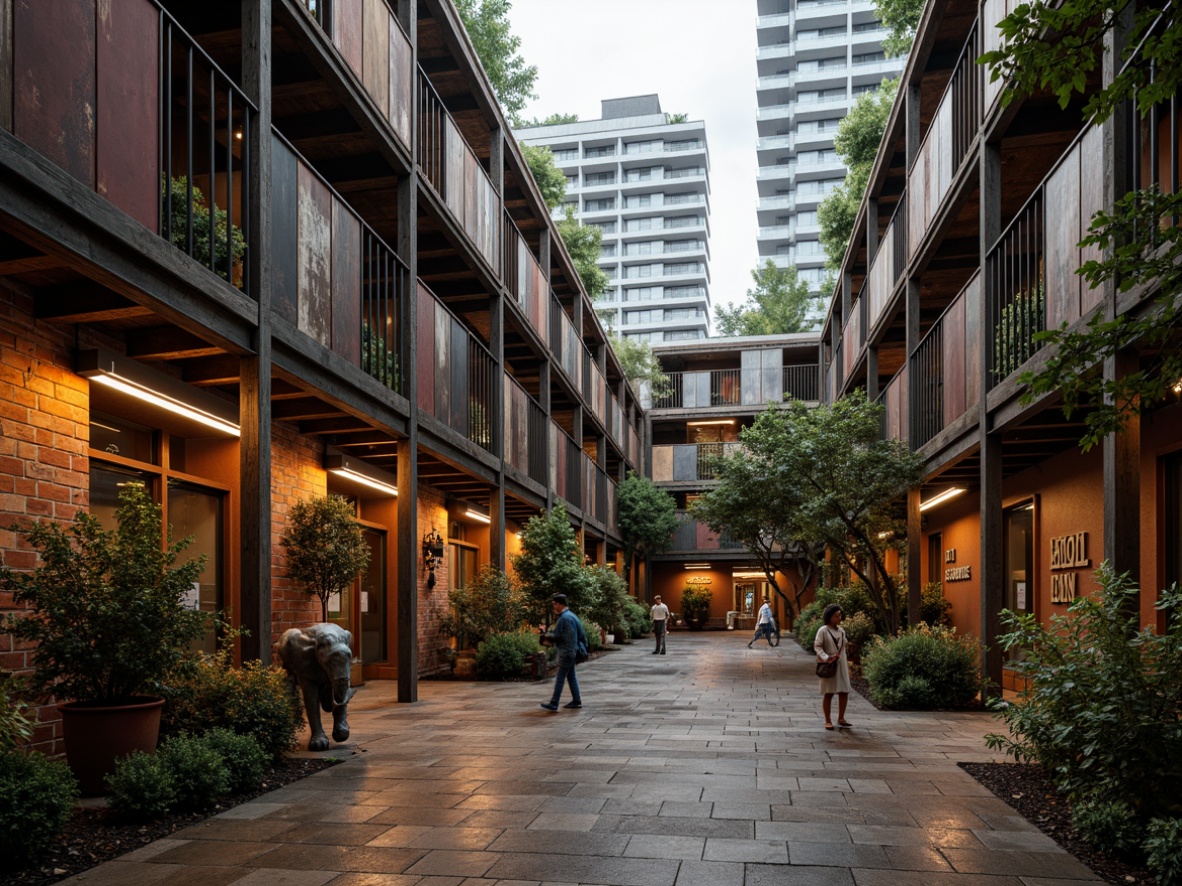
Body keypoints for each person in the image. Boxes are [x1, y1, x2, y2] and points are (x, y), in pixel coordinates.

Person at [540, 594, 587, 711]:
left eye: (554, 604)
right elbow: (580, 635)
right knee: (571, 676)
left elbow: (561, 636)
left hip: (567, 652)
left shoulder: (565, 618)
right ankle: (577, 701)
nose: (554, 607)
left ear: (560, 604)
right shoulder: (571, 616)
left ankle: (554, 702)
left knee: (560, 677)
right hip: (572, 651)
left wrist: (545, 634)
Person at [814, 603, 852, 730]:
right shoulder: (823, 631)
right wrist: (826, 657)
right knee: (828, 692)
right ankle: (828, 720)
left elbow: (844, 645)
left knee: (844, 691)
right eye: (836, 616)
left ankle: (841, 718)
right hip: (829, 665)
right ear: (829, 617)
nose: (839, 618)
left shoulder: (841, 631)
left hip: (841, 664)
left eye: (840, 615)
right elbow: (817, 646)